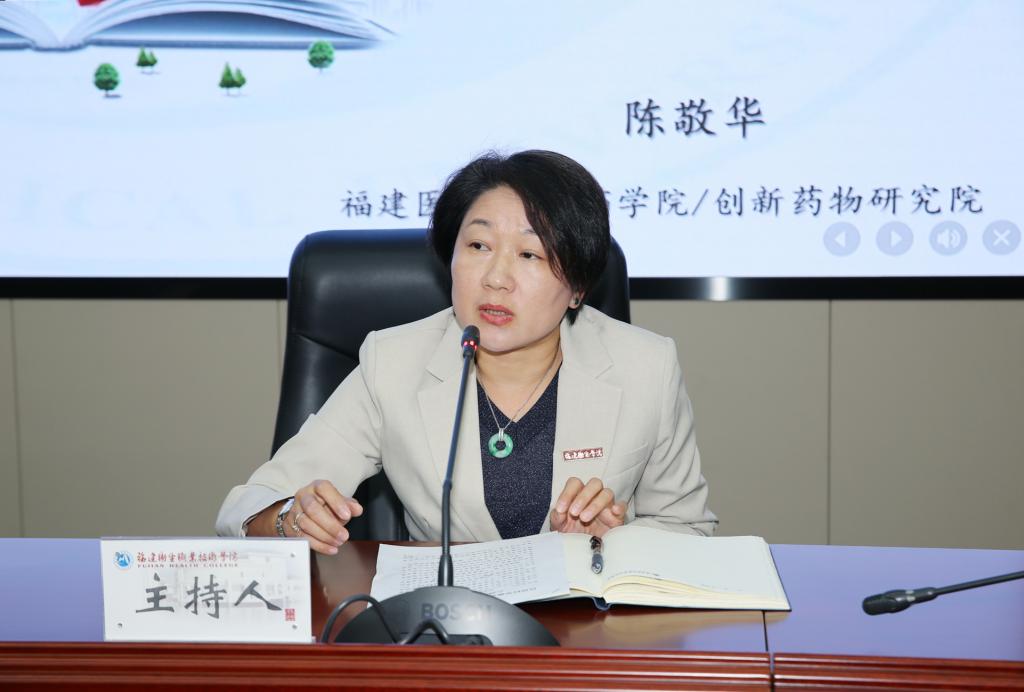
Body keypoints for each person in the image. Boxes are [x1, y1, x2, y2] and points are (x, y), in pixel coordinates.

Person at [216, 150, 716, 554]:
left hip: (586, 632)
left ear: (578, 288)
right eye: (478, 246)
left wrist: (612, 543)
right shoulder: (393, 364)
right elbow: (247, 507)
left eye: (530, 254)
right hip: (445, 628)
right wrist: (289, 519)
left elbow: (689, 530)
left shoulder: (645, 367)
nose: (496, 278)